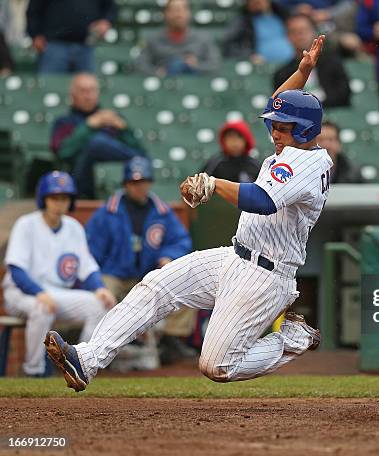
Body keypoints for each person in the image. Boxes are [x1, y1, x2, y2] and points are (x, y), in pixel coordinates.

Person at [44, 35, 333, 392]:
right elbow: (280, 106)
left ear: (304, 129)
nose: (274, 131)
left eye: (282, 126)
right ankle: (86, 360)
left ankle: (292, 340)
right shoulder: (292, 142)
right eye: (274, 124)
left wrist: (213, 184)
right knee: (156, 286)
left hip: (267, 275)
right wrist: (302, 72)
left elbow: (260, 199)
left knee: (217, 365)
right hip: (235, 256)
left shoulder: (307, 163)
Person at [2, 172, 116, 377]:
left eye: (64, 198)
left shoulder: (74, 228)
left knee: (99, 305)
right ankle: (33, 371)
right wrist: (38, 293)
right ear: (43, 199)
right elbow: (16, 270)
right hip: (20, 292)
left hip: (55, 293)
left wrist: (99, 287)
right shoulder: (26, 224)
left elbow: (86, 266)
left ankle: (81, 365)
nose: (59, 203)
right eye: (54, 198)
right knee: (42, 308)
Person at [85, 156, 195, 366]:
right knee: (101, 293)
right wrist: (95, 279)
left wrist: (168, 256)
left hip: (148, 273)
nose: (139, 186)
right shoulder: (108, 211)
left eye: (143, 181)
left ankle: (170, 338)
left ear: (150, 182)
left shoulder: (161, 211)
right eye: (134, 182)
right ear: (126, 183)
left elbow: (180, 240)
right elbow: (91, 250)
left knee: (186, 284)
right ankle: (97, 349)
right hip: (115, 274)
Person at [50, 73, 148, 199]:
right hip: (79, 184)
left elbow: (140, 150)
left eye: (92, 91)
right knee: (96, 143)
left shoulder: (112, 119)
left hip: (121, 183)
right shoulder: (64, 122)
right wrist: (88, 126)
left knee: (140, 160)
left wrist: (124, 129)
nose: (88, 96)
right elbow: (63, 153)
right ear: (72, 95)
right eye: (83, 91)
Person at [274, 14, 351, 107]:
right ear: (288, 37)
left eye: (304, 30)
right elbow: (281, 105)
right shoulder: (282, 74)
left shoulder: (333, 63)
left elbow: (344, 95)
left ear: (314, 32)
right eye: (294, 32)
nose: (300, 35)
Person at [135, 0, 220, 77]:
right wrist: (156, 72)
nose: (179, 14)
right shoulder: (153, 39)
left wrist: (197, 65)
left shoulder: (203, 38)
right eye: (174, 10)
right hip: (163, 85)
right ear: (166, 13)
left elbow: (214, 66)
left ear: (189, 13)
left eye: (183, 9)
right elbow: (141, 65)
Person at [26, 0, 115, 74]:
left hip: (87, 46)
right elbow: (33, 10)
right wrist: (35, 35)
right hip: (54, 45)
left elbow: (110, 7)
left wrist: (106, 21)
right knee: (50, 88)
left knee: (86, 89)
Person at [222, 0, 293, 64]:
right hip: (261, 67)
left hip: (292, 63)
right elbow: (229, 47)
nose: (257, 1)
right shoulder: (241, 22)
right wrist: (249, 56)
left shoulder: (283, 16)